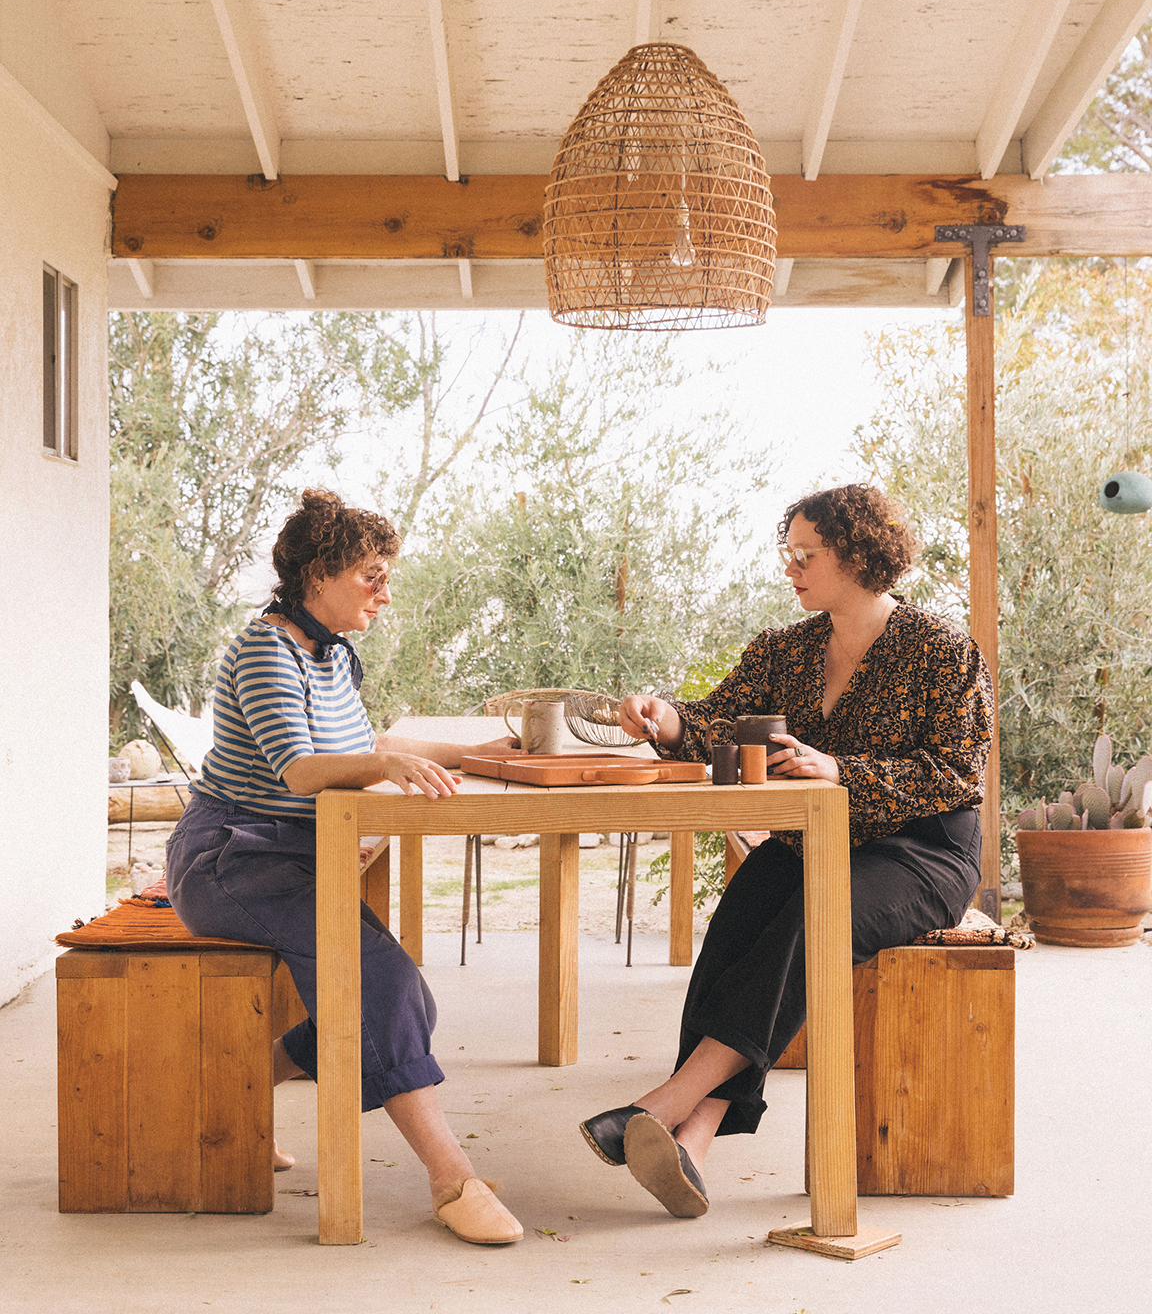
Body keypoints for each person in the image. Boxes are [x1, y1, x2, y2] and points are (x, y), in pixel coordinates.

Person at [579, 483, 993, 1219]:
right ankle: (693, 1144)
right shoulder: (785, 650)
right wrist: (666, 719)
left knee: (812, 919)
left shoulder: (941, 649)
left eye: (807, 554)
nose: (791, 568)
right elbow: (717, 724)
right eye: (789, 553)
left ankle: (665, 1103)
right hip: (814, 838)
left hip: (923, 853)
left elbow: (958, 772)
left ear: (861, 555)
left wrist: (840, 770)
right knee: (735, 932)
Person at [165, 489, 522, 1246]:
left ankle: (234, 1099)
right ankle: (452, 1177)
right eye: (372, 575)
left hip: (297, 855)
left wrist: (476, 755)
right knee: (380, 984)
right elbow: (300, 771)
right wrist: (384, 762)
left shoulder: (330, 653)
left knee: (406, 996)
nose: (385, 592)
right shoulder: (265, 648)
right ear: (318, 575)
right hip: (233, 856)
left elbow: (361, 751)